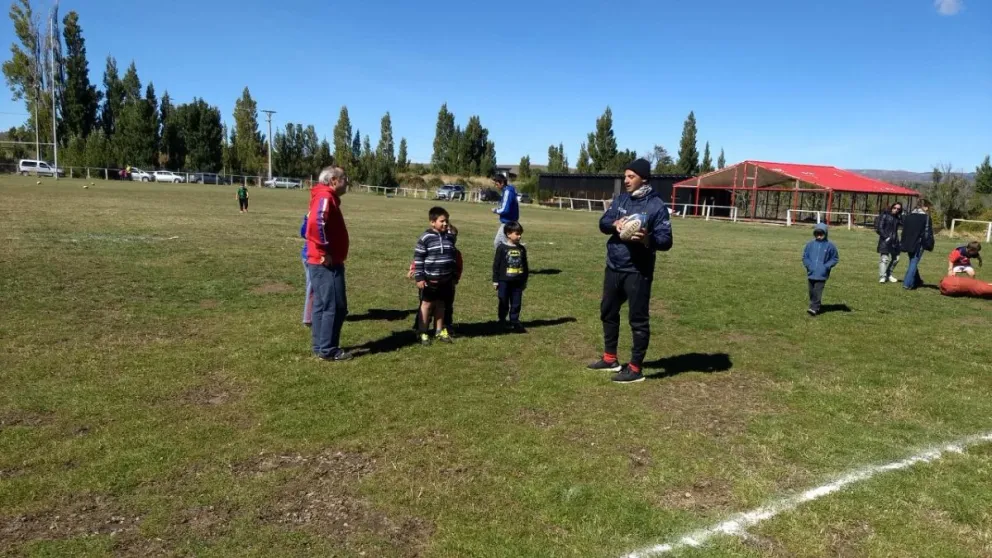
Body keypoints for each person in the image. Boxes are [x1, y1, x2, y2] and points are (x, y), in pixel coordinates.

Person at [587, 158, 673, 384]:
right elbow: (603, 223)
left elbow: (666, 241)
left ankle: (635, 369)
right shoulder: (621, 199)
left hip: (637, 271)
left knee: (638, 320)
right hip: (614, 266)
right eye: (625, 176)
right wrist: (615, 224)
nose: (626, 180)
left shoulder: (656, 206)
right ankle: (610, 359)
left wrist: (647, 239)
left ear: (643, 178)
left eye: (631, 176)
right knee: (607, 312)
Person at [305, 166, 351, 361]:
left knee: (322, 305)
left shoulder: (324, 196)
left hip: (320, 261)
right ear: (334, 180)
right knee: (336, 306)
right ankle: (328, 349)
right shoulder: (325, 197)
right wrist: (324, 250)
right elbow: (316, 222)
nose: (347, 182)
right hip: (325, 262)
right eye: (344, 179)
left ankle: (320, 346)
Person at [413, 206, 458, 345]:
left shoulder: (450, 238)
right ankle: (423, 332)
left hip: (445, 280)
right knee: (426, 305)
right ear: (432, 222)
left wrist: (453, 275)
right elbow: (418, 258)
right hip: (429, 279)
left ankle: (439, 330)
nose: (445, 224)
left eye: (447, 221)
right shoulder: (425, 238)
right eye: (442, 221)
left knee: (441, 305)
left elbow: (452, 258)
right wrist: (419, 277)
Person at [492, 221, 529, 333]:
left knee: (516, 302)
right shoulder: (502, 248)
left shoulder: (521, 249)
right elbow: (496, 265)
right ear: (508, 234)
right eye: (517, 233)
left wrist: (524, 281)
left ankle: (514, 320)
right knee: (503, 300)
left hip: (517, 282)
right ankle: (502, 320)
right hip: (504, 281)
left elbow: (525, 266)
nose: (519, 236)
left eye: (520, 233)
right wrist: (495, 280)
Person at [802, 223, 840, 316]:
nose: (819, 236)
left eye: (821, 234)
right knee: (811, 291)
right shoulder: (810, 245)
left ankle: (814, 308)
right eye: (817, 234)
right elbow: (805, 257)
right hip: (811, 272)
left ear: (825, 234)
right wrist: (808, 265)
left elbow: (835, 258)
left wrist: (826, 266)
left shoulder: (830, 246)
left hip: (822, 274)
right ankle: (813, 305)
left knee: (817, 291)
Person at [900, 199, 935, 290]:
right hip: (918, 244)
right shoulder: (926, 218)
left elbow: (904, 231)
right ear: (925, 207)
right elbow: (928, 232)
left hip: (907, 242)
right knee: (913, 262)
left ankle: (917, 280)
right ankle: (907, 283)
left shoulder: (908, 216)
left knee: (912, 261)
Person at [875, 202, 903, 283]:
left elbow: (903, 224)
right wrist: (886, 237)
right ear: (892, 207)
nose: (896, 210)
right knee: (884, 259)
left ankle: (888, 274)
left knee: (896, 259)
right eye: (895, 208)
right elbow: (879, 228)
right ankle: (882, 277)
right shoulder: (884, 215)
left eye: (898, 209)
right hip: (885, 241)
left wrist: (901, 216)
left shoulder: (898, 218)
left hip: (895, 241)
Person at [491, 174, 519, 249]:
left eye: (497, 184)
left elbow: (505, 210)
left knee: (498, 243)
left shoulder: (507, 192)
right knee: (510, 243)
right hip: (512, 222)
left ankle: (503, 259)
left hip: (508, 223)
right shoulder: (508, 190)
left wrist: (495, 210)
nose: (496, 186)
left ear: (502, 183)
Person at [299, 213, 313, 327]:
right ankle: (308, 318)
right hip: (311, 256)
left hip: (308, 255)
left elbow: (303, 233)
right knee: (312, 287)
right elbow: (304, 233)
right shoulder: (316, 213)